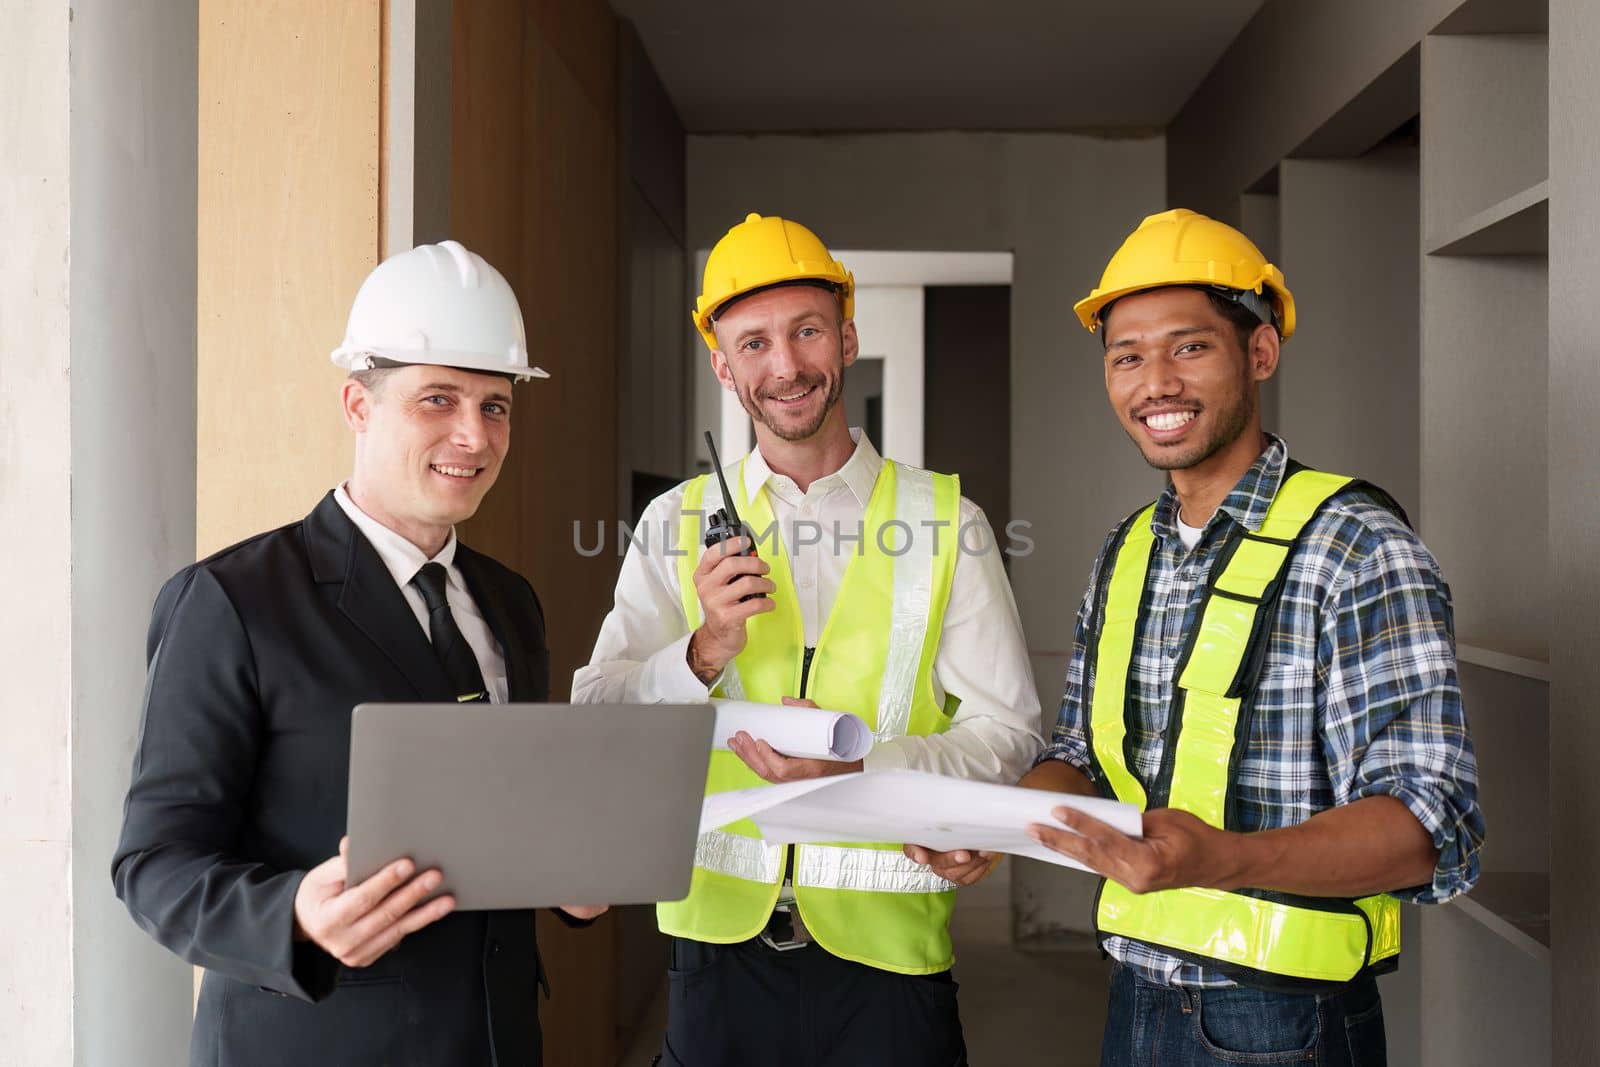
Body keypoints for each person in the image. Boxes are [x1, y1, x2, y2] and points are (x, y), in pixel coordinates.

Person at [923, 209, 1484, 1065]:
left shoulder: (1357, 547)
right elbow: (1079, 750)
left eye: (1190, 347)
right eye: (1127, 357)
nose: (1156, 383)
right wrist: (992, 825)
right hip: (1134, 994)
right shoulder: (1126, 551)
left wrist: (1222, 857)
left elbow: (1429, 824)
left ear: (1258, 353)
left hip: (1287, 1022)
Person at [113, 240, 603, 1066]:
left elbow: (503, 813)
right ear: (356, 404)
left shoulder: (511, 604)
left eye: (495, 405)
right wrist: (294, 915)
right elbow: (154, 866)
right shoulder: (233, 601)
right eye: (438, 399)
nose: (473, 435)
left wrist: (569, 876)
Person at [573, 213, 1042, 1066]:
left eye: (807, 331)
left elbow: (1009, 735)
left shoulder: (949, 523)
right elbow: (597, 717)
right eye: (752, 343)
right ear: (722, 364)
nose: (784, 365)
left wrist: (868, 774)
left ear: (847, 336)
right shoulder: (672, 523)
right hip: (715, 962)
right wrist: (703, 649)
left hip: (890, 972)